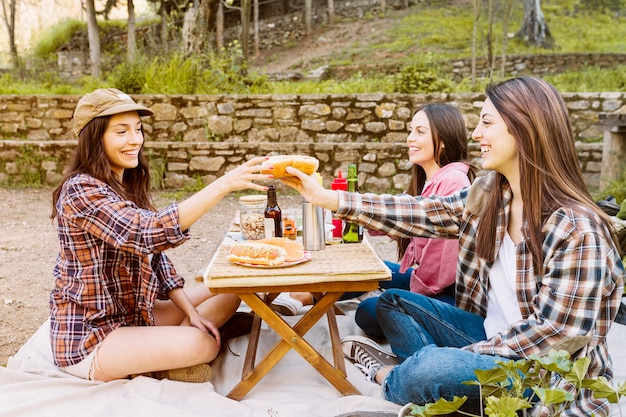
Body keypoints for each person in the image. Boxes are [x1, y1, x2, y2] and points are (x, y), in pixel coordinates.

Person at [282, 77, 625, 415]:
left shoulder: (578, 232)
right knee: (392, 302)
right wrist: (326, 197)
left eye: (487, 122)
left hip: (540, 375)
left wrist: (464, 359)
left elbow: (553, 337)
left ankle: (391, 377)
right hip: (488, 334)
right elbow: (421, 212)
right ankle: (437, 381)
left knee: (432, 368)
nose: (475, 134)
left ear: (524, 130)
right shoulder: (493, 192)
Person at [49, 88, 272, 383]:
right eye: (121, 131)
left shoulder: (125, 185)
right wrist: (222, 185)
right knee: (201, 344)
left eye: (138, 130)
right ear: (95, 137)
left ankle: (170, 350)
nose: (135, 140)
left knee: (231, 292)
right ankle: (171, 357)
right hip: (93, 335)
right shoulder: (81, 190)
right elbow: (145, 233)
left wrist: (191, 313)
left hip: (136, 316)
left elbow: (157, 260)